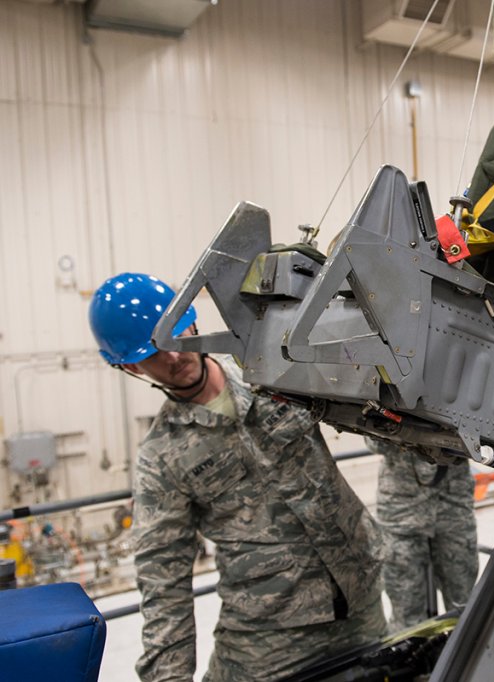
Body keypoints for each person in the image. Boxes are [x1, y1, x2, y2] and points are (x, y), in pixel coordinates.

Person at [89, 273, 386, 682]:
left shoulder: (271, 370)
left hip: (361, 597)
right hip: (268, 636)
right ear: (128, 366)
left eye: (173, 336)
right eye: (152, 353)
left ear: (190, 320)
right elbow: (163, 579)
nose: (173, 357)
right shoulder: (161, 459)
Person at [364, 436, 478, 631]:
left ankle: (468, 656)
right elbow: (374, 442)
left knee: (465, 603)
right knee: (407, 611)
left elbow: (479, 441)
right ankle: (413, 658)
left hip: (453, 501)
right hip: (401, 504)